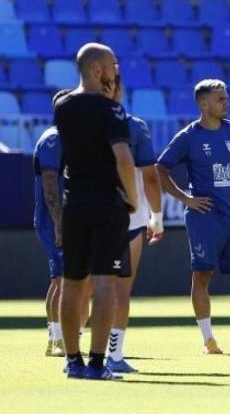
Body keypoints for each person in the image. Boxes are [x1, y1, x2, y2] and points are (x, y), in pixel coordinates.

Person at [156, 79, 230, 353]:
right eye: (220, 99)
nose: (226, 103)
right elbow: (160, 169)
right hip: (204, 218)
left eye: (227, 98)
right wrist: (186, 198)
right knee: (203, 276)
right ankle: (208, 339)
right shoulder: (188, 137)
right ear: (203, 104)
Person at [53, 43, 138, 380]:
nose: (117, 71)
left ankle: (72, 362)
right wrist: (132, 198)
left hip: (74, 205)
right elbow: (123, 158)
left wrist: (110, 104)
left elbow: (83, 123)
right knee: (105, 284)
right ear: (98, 71)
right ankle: (97, 364)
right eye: (112, 65)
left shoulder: (61, 104)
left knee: (71, 284)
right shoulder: (112, 113)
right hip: (107, 205)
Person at [102, 75, 165, 373]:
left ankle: (73, 353)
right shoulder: (134, 126)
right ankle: (113, 356)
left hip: (86, 215)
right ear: (120, 88)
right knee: (120, 291)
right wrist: (158, 217)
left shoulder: (73, 123)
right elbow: (151, 176)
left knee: (82, 287)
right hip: (128, 218)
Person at [33, 88, 71, 357]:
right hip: (52, 220)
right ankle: (56, 340)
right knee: (62, 278)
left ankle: (60, 337)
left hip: (67, 219)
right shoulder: (53, 139)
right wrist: (58, 221)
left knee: (64, 278)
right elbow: (49, 184)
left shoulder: (70, 139)